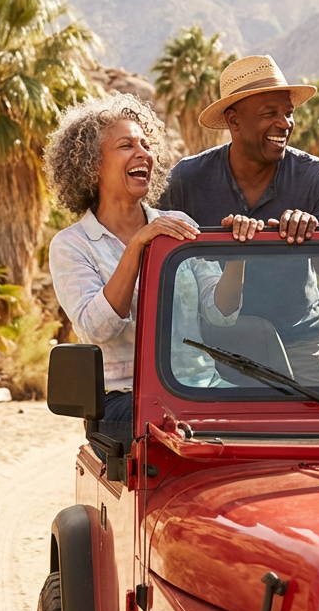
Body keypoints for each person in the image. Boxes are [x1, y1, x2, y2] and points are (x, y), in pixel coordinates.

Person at [47, 94, 245, 453]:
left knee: (270, 422)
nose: (144, 154)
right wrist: (138, 245)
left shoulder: (178, 225)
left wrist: (237, 258)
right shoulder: (72, 245)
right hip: (124, 401)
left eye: (146, 145)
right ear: (92, 164)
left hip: (200, 388)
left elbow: (220, 313)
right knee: (181, 442)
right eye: (126, 145)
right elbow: (99, 328)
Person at [160, 55, 319, 386]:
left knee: (318, 419)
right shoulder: (187, 179)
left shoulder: (316, 176)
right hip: (209, 346)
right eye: (269, 113)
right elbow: (158, 264)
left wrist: (313, 233)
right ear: (234, 120)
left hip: (298, 340)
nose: (285, 123)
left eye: (288, 113)